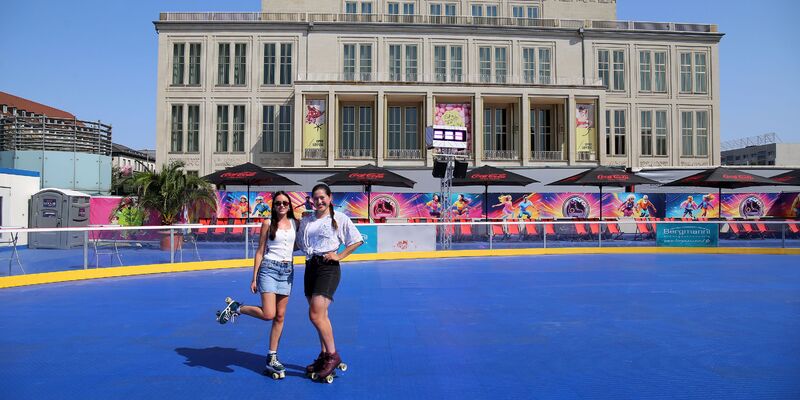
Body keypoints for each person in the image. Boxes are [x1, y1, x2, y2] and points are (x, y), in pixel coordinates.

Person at [215, 191, 298, 379]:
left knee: (280, 316)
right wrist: (254, 277)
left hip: (287, 271)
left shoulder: (295, 223)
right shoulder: (268, 223)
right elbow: (260, 250)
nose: (282, 206)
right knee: (269, 314)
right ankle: (238, 308)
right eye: (278, 203)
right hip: (269, 268)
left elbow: (297, 245)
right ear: (273, 205)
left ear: (289, 205)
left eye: (285, 203)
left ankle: (272, 357)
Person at [297, 183, 363, 382]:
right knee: (322, 315)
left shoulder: (339, 218)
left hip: (328, 267)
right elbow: (299, 243)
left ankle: (333, 356)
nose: (318, 201)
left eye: (322, 197)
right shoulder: (307, 220)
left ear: (330, 198)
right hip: (311, 267)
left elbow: (357, 240)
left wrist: (340, 255)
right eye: (315, 198)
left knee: (315, 314)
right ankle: (325, 355)